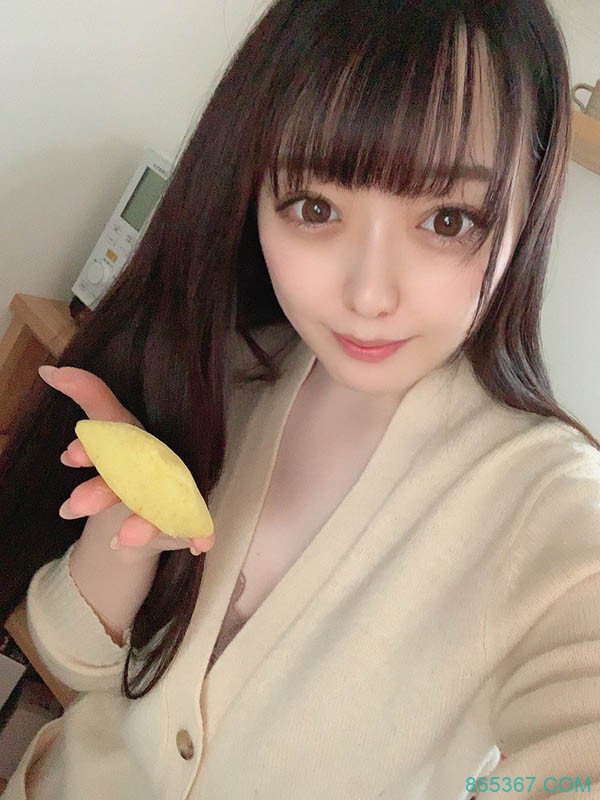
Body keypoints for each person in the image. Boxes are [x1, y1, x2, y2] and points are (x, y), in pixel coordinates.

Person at [1, 0, 599, 797]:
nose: (369, 294)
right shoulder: (228, 365)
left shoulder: (553, 514)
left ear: (527, 216)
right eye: (316, 209)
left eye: (449, 219)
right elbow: (76, 664)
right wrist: (118, 542)